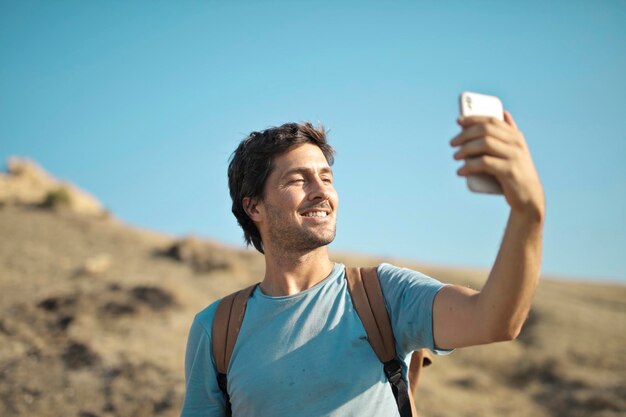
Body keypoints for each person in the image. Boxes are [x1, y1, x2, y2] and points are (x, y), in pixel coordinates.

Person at [180, 113, 545, 416]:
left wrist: (528, 213)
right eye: (298, 179)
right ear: (253, 207)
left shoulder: (382, 294)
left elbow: (494, 320)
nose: (321, 191)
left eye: (326, 177)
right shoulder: (217, 329)